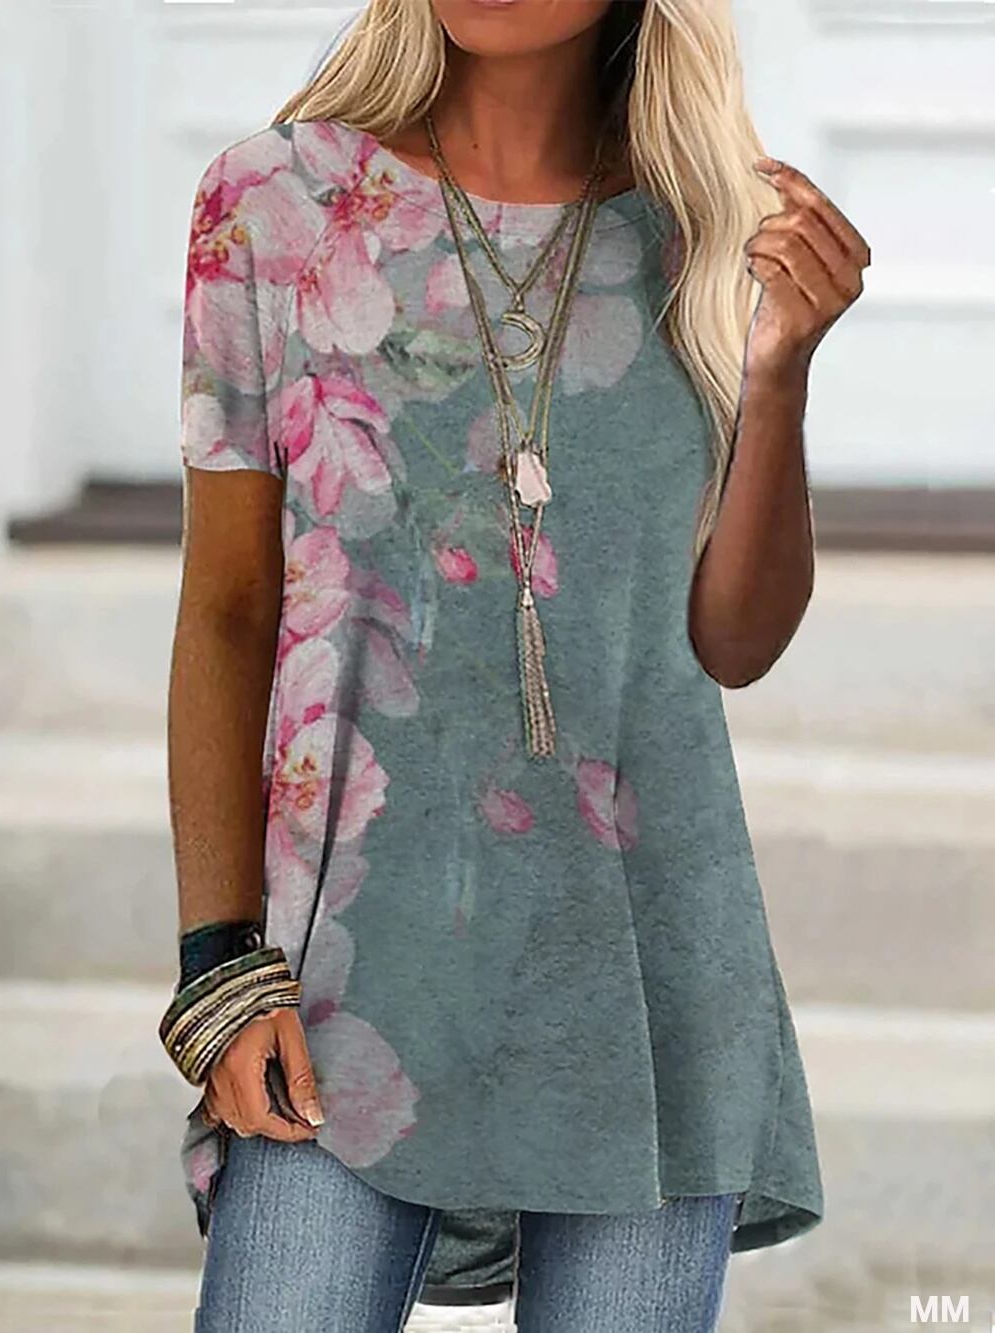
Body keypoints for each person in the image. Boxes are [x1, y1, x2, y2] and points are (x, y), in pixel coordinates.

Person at [161, 0, 870, 1328]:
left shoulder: (708, 231)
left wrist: (779, 375)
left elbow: (735, 640)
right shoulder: (275, 204)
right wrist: (219, 962)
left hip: (647, 984)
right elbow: (228, 610)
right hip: (347, 972)